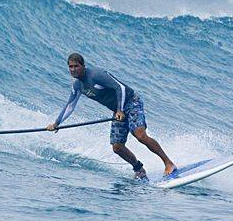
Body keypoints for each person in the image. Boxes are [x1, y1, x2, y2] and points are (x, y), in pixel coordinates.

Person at [46, 52, 177, 180]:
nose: (73, 69)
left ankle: (168, 163)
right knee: (117, 147)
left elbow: (120, 87)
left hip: (131, 102)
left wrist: (120, 109)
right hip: (117, 111)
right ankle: (139, 169)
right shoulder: (78, 86)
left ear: (83, 66)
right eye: (70, 67)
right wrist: (57, 123)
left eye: (76, 66)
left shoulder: (96, 75)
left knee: (140, 135)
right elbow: (70, 105)